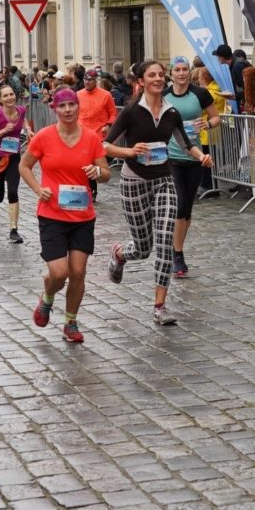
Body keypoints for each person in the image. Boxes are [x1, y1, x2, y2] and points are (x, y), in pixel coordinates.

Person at [104, 60, 211, 325]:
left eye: (161, 75)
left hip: (164, 181)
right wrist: (129, 151)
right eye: (152, 75)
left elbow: (185, 144)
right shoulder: (131, 111)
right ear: (141, 81)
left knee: (164, 244)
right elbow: (105, 145)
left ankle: (160, 306)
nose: (158, 79)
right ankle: (119, 254)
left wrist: (201, 157)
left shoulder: (171, 112)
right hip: (134, 182)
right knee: (143, 247)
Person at [20, 87, 109, 343]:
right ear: (54, 109)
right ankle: (48, 297)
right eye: (62, 106)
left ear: (78, 107)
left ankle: (70, 322)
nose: (68, 110)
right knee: (59, 273)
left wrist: (97, 172)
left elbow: (105, 173)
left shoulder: (91, 138)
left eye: (72, 104)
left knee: (78, 272)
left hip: (82, 216)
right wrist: (39, 189)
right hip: (52, 214)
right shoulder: (44, 137)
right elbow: (24, 166)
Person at [165, 56, 220, 278]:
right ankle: (177, 255)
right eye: (177, 70)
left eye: (184, 69)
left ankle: (177, 247)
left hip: (195, 157)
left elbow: (216, 117)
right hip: (171, 157)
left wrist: (207, 124)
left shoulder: (200, 94)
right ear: (171, 73)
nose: (181, 73)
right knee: (179, 206)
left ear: (190, 72)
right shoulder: (163, 95)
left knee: (186, 210)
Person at [0, 83, 30, 243]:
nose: (9, 98)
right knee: (0, 195)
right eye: (5, 96)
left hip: (14, 157)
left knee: (13, 192)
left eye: (11, 94)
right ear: (0, 99)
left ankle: (13, 230)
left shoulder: (21, 110)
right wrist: (4, 131)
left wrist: (28, 129)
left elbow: (23, 120)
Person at [76, 68, 117, 201]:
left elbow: (113, 113)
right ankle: (87, 190)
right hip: (81, 134)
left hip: (98, 135)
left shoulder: (106, 95)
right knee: (83, 162)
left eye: (90, 80)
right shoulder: (78, 95)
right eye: (85, 79)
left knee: (93, 163)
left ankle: (92, 189)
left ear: (96, 81)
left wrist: (108, 125)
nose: (87, 82)